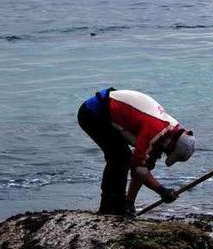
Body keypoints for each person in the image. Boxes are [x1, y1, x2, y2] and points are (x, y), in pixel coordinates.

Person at [78, 88, 196, 216]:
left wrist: (130, 203)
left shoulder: (168, 131)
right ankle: (109, 207)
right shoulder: (155, 131)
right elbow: (139, 169)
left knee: (122, 157)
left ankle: (120, 205)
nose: (165, 155)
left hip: (112, 112)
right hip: (94, 112)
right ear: (171, 145)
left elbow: (143, 168)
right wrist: (162, 191)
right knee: (119, 157)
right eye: (168, 153)